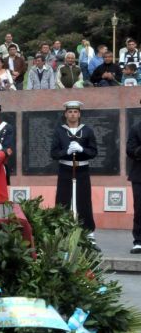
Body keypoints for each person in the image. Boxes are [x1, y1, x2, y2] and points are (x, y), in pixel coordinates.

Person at [50, 101, 98, 237]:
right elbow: (53, 153)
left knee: (84, 201)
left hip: (82, 170)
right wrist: (67, 151)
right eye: (70, 112)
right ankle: (61, 232)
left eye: (75, 112)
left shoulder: (87, 130)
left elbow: (93, 152)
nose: (72, 114)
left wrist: (82, 149)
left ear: (79, 114)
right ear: (65, 114)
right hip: (65, 169)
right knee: (62, 201)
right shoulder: (60, 131)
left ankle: (88, 233)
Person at [126, 102, 141, 253]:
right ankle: (138, 240)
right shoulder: (136, 128)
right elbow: (130, 150)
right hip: (139, 175)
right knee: (139, 208)